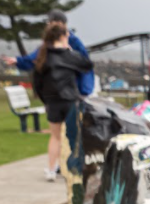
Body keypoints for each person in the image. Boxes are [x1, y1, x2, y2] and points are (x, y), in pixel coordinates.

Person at [31, 20, 91, 181]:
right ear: (64, 37)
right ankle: (74, 169)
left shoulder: (44, 56)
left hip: (52, 102)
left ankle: (51, 169)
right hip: (70, 101)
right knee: (74, 137)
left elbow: (37, 82)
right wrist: (72, 50)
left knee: (55, 136)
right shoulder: (69, 56)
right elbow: (87, 65)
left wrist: (45, 101)